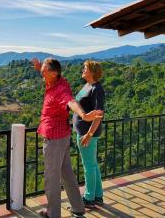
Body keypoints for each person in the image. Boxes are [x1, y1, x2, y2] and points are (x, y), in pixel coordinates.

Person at [32, 58, 103, 218]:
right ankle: (78, 207)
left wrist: (84, 115)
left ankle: (52, 213)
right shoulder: (56, 82)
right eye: (41, 70)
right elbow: (48, 76)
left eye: (44, 70)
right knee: (67, 174)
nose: (41, 73)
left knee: (51, 176)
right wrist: (39, 68)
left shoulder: (61, 90)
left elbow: (71, 102)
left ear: (54, 73)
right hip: (62, 136)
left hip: (54, 138)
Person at [73, 60, 105, 208]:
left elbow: (99, 114)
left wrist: (89, 134)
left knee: (89, 166)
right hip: (83, 131)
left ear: (92, 72)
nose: (83, 69)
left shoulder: (97, 89)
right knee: (93, 165)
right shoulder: (88, 86)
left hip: (87, 133)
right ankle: (98, 196)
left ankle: (89, 198)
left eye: (85, 67)